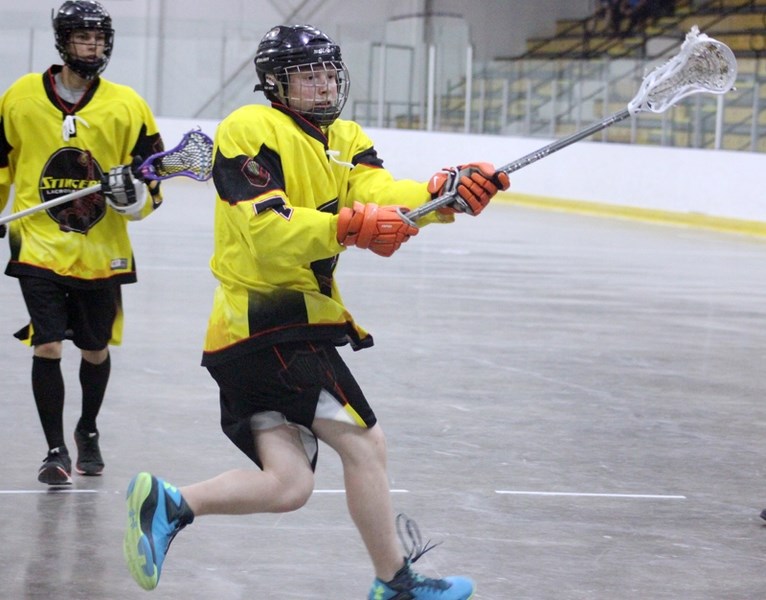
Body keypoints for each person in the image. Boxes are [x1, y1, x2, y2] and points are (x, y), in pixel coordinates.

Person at [122, 23, 508, 599]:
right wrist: (344, 227)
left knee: (288, 486)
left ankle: (170, 504)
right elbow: (265, 231)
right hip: (266, 321)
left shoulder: (345, 136)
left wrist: (443, 193)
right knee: (364, 441)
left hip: (258, 337)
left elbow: (378, 190)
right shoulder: (250, 128)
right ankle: (395, 584)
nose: (324, 86)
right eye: (308, 76)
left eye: (330, 74)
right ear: (276, 84)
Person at [0, 0, 164, 485]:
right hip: (37, 244)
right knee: (47, 344)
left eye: (99, 38)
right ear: (63, 41)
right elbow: (2, 162)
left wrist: (135, 198)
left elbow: (153, 178)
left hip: (101, 250)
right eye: (83, 37)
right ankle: (55, 451)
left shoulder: (127, 105)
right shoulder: (20, 97)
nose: (92, 46)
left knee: (94, 350)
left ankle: (87, 429)